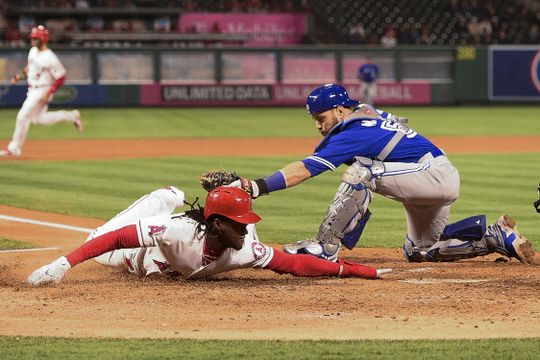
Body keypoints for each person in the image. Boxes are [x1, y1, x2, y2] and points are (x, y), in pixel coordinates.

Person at [210, 84, 536, 265]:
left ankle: (326, 246)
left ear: (339, 111)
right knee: (421, 249)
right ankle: (496, 237)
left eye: (320, 116)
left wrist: (253, 186)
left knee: (362, 171)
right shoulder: (366, 114)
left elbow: (305, 169)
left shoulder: (354, 130)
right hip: (425, 176)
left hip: (431, 174)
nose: (317, 123)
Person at [28, 186, 391, 286]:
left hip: (164, 256)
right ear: (217, 224)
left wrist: (360, 270)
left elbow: (295, 264)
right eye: (240, 222)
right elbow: (119, 238)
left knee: (168, 203)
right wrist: (63, 264)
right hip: (131, 257)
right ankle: (167, 194)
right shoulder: (175, 231)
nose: (248, 227)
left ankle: (175, 195)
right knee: (107, 229)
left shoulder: (247, 248)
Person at [1, 25, 83, 158]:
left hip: (42, 89)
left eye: (36, 38)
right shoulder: (33, 51)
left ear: (43, 39)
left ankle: (14, 148)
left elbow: (61, 77)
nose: (33, 40)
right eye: (33, 38)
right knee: (39, 120)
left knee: (22, 116)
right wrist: (19, 75)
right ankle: (71, 116)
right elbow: (30, 67)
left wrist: (49, 92)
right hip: (32, 88)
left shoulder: (50, 57)